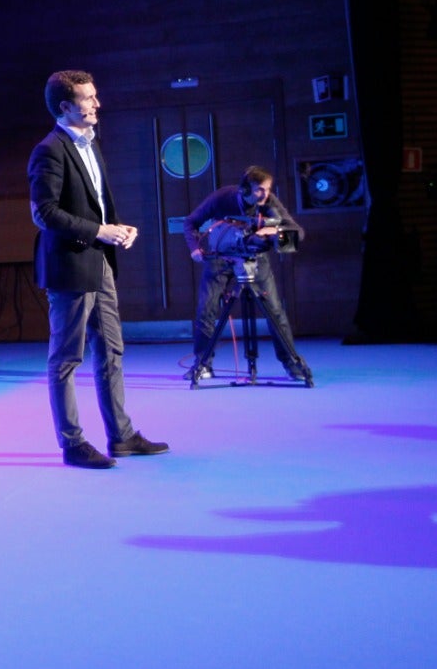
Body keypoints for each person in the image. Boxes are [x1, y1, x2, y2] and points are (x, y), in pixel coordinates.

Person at [29, 70, 169, 469]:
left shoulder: (91, 144)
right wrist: (99, 231)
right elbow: (44, 213)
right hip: (71, 265)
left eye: (94, 96)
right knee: (66, 358)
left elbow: (97, 206)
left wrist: (117, 229)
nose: (97, 104)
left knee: (111, 350)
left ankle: (121, 436)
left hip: (101, 261)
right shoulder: (49, 150)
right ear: (65, 107)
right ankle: (72, 444)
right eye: (88, 98)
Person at [183, 166, 307, 379]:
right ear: (245, 189)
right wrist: (195, 248)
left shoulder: (269, 202)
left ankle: (292, 364)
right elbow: (190, 222)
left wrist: (276, 230)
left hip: (254, 259)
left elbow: (298, 233)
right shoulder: (222, 197)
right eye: (260, 189)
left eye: (268, 189)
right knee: (206, 310)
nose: (265, 194)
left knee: (275, 311)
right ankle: (203, 364)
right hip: (220, 257)